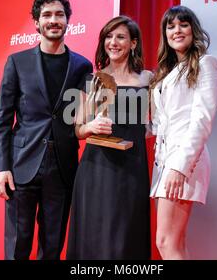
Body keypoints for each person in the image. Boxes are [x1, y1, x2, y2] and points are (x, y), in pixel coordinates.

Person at [0, 0, 92, 260]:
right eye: (46, 15)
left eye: (59, 14)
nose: (53, 20)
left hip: (62, 167)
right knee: (17, 246)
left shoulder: (82, 66)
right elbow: (2, 119)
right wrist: (1, 168)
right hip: (22, 165)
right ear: (37, 23)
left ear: (67, 20)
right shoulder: (17, 62)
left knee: (53, 245)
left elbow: (84, 115)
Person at [66, 16, 152, 259]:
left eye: (121, 37)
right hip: (96, 170)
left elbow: (158, 123)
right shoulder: (91, 80)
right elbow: (78, 130)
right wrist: (91, 125)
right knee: (96, 239)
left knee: (126, 239)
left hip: (131, 170)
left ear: (133, 43)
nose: (113, 42)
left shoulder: (147, 79)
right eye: (108, 37)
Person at [149, 5, 217, 259]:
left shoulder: (205, 63)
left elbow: (202, 119)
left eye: (183, 24)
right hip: (164, 164)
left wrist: (180, 166)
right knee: (176, 243)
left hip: (183, 161)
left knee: (166, 242)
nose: (176, 30)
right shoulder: (165, 74)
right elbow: (159, 125)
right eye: (170, 26)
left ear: (193, 29)